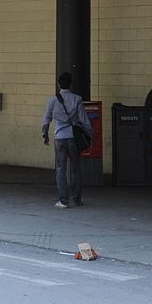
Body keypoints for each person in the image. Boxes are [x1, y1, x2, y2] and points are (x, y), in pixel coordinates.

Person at [41, 71, 87, 209]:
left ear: (58, 84)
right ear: (70, 83)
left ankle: (63, 200)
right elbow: (84, 120)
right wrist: (89, 136)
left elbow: (46, 119)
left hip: (59, 138)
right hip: (73, 137)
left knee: (61, 168)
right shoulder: (77, 99)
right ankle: (77, 198)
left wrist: (45, 135)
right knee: (75, 168)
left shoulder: (52, 100)